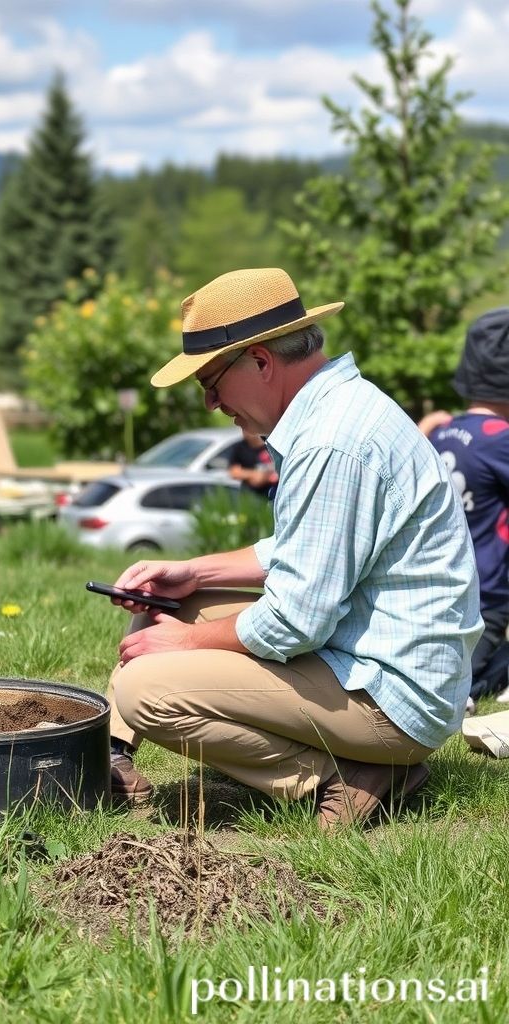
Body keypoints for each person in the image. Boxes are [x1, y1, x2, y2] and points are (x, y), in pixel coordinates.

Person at [103, 267, 481, 829]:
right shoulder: (330, 414)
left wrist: (185, 641)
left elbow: (295, 620)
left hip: (393, 697)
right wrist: (193, 572)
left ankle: (347, 776)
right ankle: (110, 755)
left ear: (260, 361)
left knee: (145, 689)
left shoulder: (331, 441)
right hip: (369, 661)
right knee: (168, 606)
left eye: (211, 380)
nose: (209, 402)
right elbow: (307, 550)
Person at [418, 308, 509, 705]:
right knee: (462, 684)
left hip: (442, 597)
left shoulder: (444, 431)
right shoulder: (500, 438)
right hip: (487, 601)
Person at [227, 428, 278, 498]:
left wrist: (266, 477)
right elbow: (234, 472)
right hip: (250, 494)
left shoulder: (270, 445)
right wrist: (254, 475)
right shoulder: (239, 447)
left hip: (272, 492)